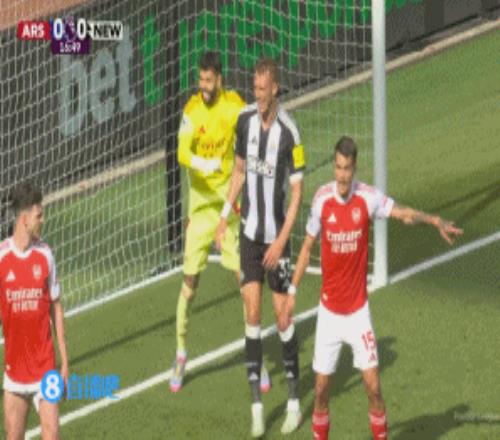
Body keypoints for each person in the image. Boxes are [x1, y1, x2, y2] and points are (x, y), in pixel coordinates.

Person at [282, 136, 463, 440]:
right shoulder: (322, 200)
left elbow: (403, 214)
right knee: (321, 391)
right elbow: (306, 247)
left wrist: (433, 220)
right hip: (329, 314)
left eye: (347, 169)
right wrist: (291, 293)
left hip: (357, 313)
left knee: (374, 387)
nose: (341, 175)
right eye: (338, 168)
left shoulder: (367, 198)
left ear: (354, 168)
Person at [170, 51, 271, 393]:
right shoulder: (191, 111)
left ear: (220, 79)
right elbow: (182, 152)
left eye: (209, 81)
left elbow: (255, 125)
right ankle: (181, 353)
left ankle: (255, 356)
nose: (203, 86)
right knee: (189, 284)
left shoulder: (234, 107)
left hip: (230, 209)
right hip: (200, 213)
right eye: (200, 80)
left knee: (246, 282)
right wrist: (204, 163)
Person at [216, 57, 306, 437]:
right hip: (249, 238)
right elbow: (239, 170)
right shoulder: (244, 121)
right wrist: (224, 214)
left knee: (282, 318)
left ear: (276, 89)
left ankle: (294, 403)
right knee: (252, 315)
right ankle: (256, 408)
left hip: (277, 242)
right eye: (254, 88)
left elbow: (297, 194)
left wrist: (282, 241)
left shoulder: (290, 133)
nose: (257, 95)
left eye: (263, 90)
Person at [0, 181, 69, 440]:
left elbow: (56, 308)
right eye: (39, 215)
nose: (43, 220)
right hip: (15, 373)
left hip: (45, 369)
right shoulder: (2, 258)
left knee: (52, 433)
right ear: (24, 219)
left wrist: (64, 362)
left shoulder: (45, 254)